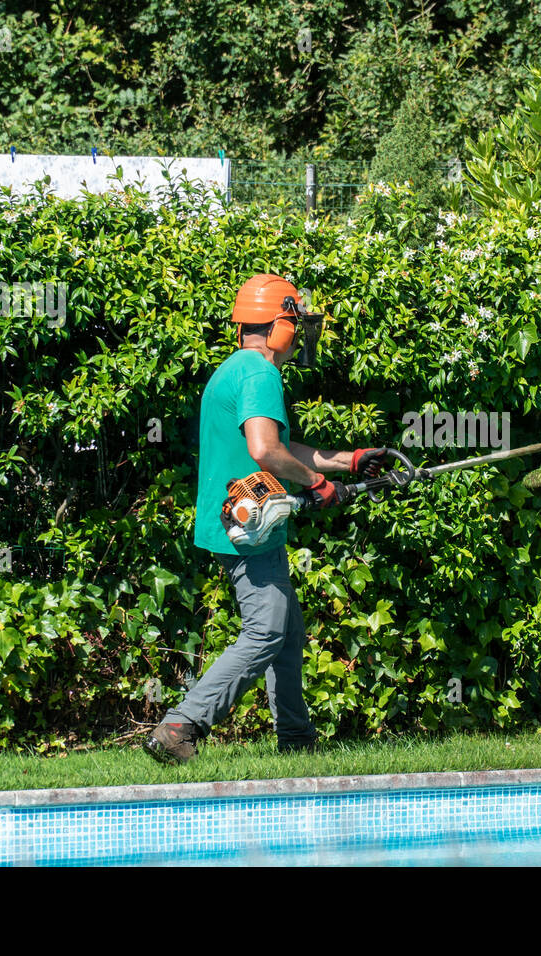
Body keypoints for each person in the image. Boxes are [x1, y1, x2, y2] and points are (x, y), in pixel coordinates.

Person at [144, 274, 385, 764]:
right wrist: (317, 486)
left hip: (242, 521)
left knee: (287, 629)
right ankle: (180, 726)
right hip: (246, 529)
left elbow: (277, 447)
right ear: (279, 327)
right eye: (295, 324)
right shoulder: (260, 374)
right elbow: (265, 450)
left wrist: (347, 462)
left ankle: (296, 739)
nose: (300, 336)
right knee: (267, 630)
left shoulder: (235, 368)